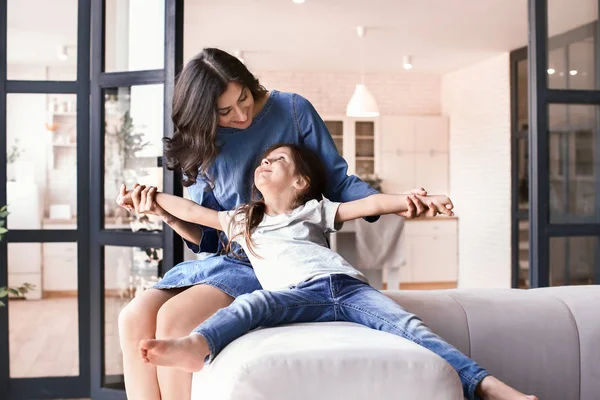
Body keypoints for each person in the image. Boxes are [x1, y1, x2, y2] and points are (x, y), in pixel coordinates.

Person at [116, 47, 452, 400]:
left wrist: (400, 204)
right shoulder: (206, 139)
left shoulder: (293, 109)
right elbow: (211, 236)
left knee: (174, 318)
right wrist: (166, 214)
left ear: (248, 83)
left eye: (243, 98)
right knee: (133, 318)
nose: (242, 115)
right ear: (204, 116)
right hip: (222, 260)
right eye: (225, 111)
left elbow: (338, 183)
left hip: (270, 259)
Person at [120, 144, 537, 400]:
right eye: (261, 161)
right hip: (296, 293)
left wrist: (411, 198)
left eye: (276, 160)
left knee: (414, 330)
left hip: (347, 287)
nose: (263, 164)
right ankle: (197, 345)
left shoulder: (314, 210)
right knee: (253, 304)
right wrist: (153, 198)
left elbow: (369, 206)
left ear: (300, 181)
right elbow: (195, 211)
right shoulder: (242, 221)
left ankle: (487, 385)